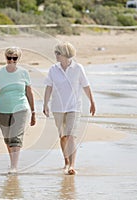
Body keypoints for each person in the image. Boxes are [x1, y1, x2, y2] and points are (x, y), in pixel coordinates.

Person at [43, 41, 95, 175]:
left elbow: (86, 86)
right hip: (57, 107)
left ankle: (72, 165)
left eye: (58, 53)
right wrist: (45, 104)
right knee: (63, 136)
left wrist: (92, 102)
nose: (56, 55)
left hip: (74, 107)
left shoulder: (78, 68)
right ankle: (66, 161)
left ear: (65, 54)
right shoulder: (53, 69)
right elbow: (49, 87)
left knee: (71, 136)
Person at [0, 47, 36, 174]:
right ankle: (12, 163)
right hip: (2, 109)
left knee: (15, 138)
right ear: (5, 58)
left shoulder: (24, 73)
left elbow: (29, 93)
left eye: (14, 58)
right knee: (8, 139)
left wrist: (33, 112)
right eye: (9, 58)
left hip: (21, 108)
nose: (11, 60)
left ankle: (14, 166)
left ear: (18, 59)